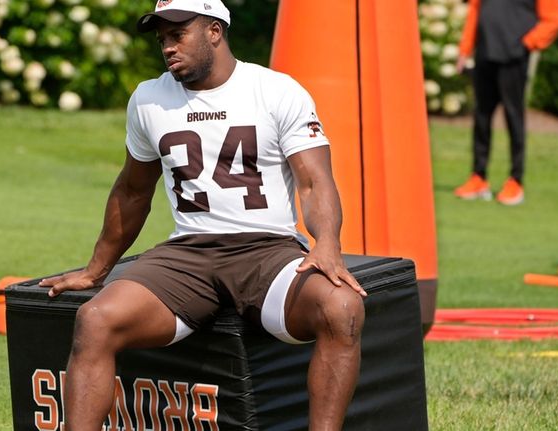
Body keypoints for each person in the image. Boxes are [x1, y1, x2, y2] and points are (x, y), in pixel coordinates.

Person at [39, 0, 366, 429]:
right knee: (95, 319)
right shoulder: (149, 98)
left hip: (268, 251)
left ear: (214, 30)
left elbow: (315, 181)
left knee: (341, 308)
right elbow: (133, 191)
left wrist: (326, 244)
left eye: (178, 35)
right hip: (189, 255)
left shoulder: (276, 90)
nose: (168, 48)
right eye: (162, 40)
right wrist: (96, 270)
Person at [454, 0, 558, 205]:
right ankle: (478, 177)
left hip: (514, 57)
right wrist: (465, 49)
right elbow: (475, 10)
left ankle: (515, 180)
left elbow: (554, 20)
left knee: (514, 117)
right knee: (481, 117)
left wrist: (527, 43)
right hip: (485, 53)